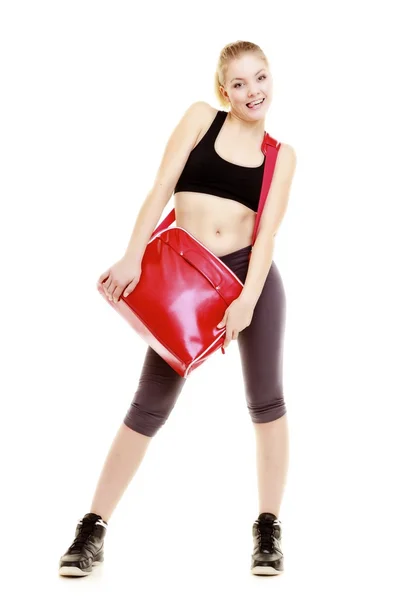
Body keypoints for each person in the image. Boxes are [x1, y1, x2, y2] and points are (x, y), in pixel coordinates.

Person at [59, 40, 297, 578]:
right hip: (185, 287)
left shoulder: (282, 156)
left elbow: (267, 238)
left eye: (260, 78)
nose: (253, 91)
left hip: (248, 281)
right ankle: (92, 527)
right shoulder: (200, 119)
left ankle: (268, 528)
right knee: (149, 406)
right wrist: (131, 256)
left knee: (267, 402)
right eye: (239, 83)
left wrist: (246, 302)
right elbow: (161, 188)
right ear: (223, 90)